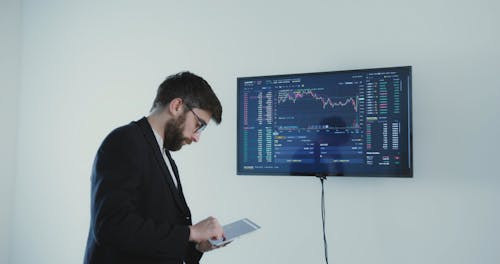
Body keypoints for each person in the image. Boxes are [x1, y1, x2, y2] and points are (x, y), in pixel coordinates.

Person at [84, 71, 225, 264]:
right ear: (177, 106)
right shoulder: (125, 141)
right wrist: (191, 232)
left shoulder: (163, 154)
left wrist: (197, 244)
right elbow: (111, 227)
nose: (196, 137)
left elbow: (160, 227)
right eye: (198, 125)